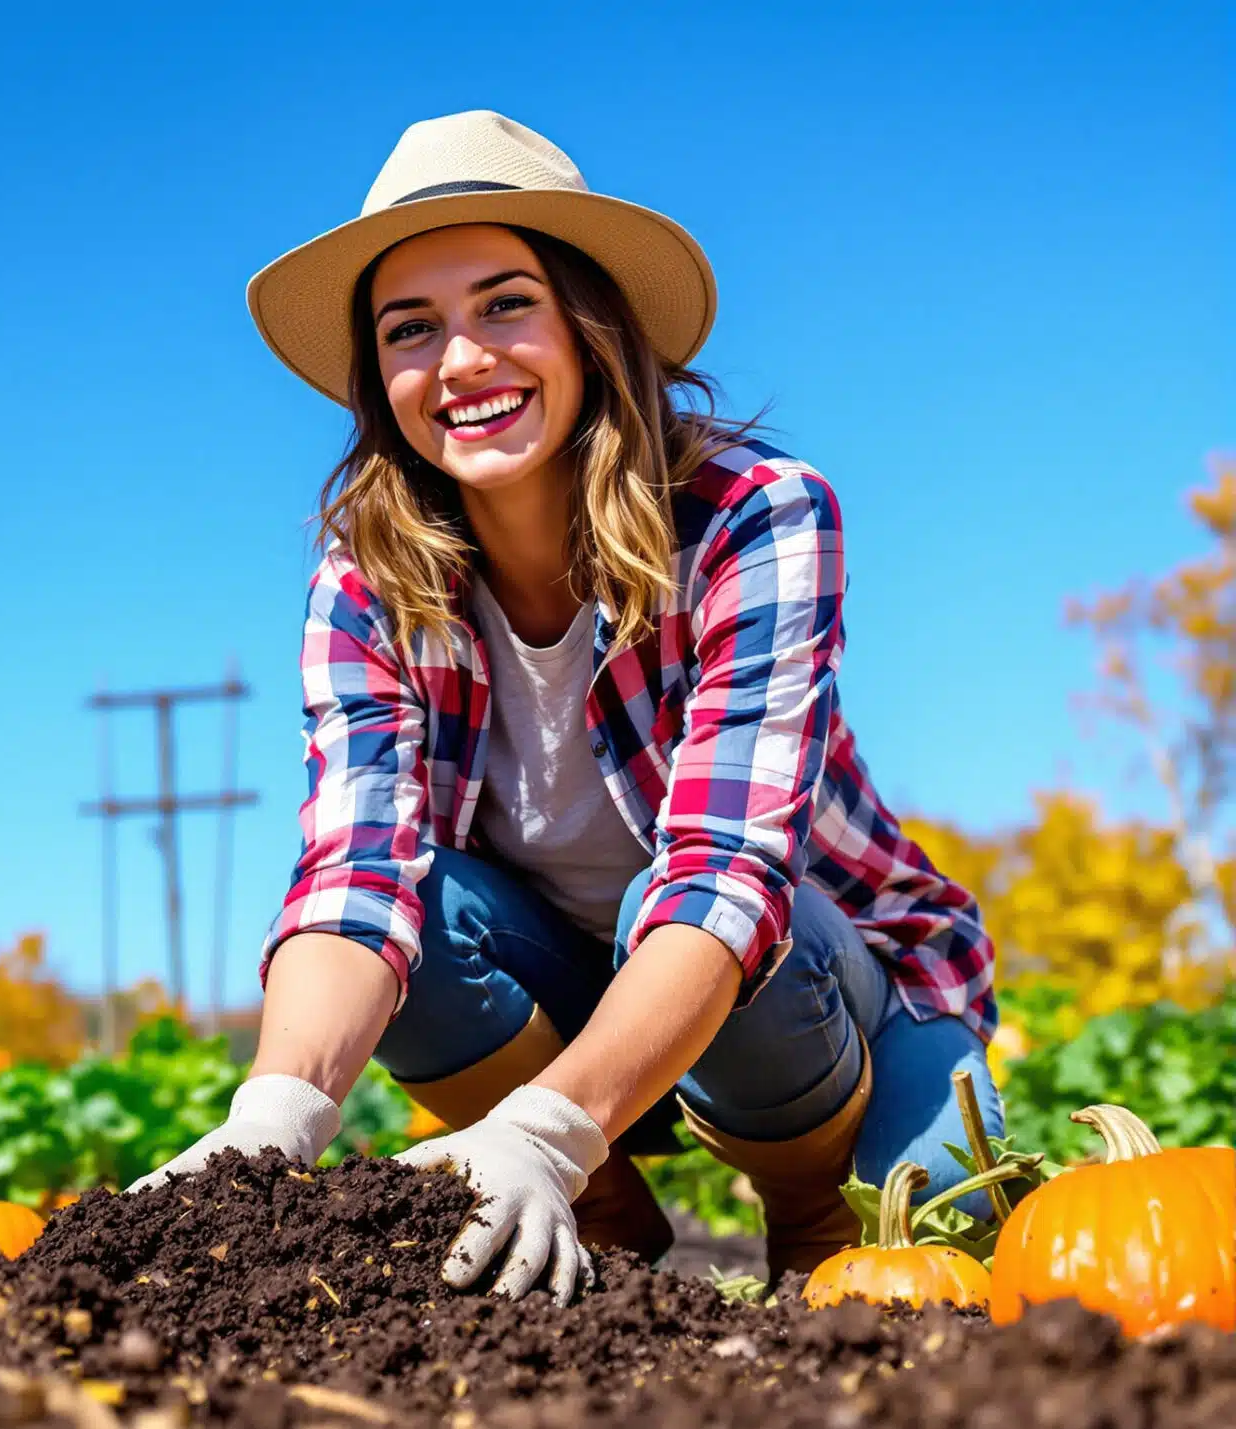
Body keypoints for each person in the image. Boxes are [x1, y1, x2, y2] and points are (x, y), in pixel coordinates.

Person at [130, 111, 1002, 1306]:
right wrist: (269, 1121)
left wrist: (542, 1130)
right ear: (381, 383)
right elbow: (354, 875)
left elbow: (725, 876)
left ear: (589, 327)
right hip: (569, 988)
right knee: (419, 906)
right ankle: (606, 1222)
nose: (460, 359)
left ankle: (802, 1213)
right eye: (410, 328)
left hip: (831, 997)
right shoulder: (367, 587)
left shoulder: (752, 516)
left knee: (930, 1247)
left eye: (505, 304)